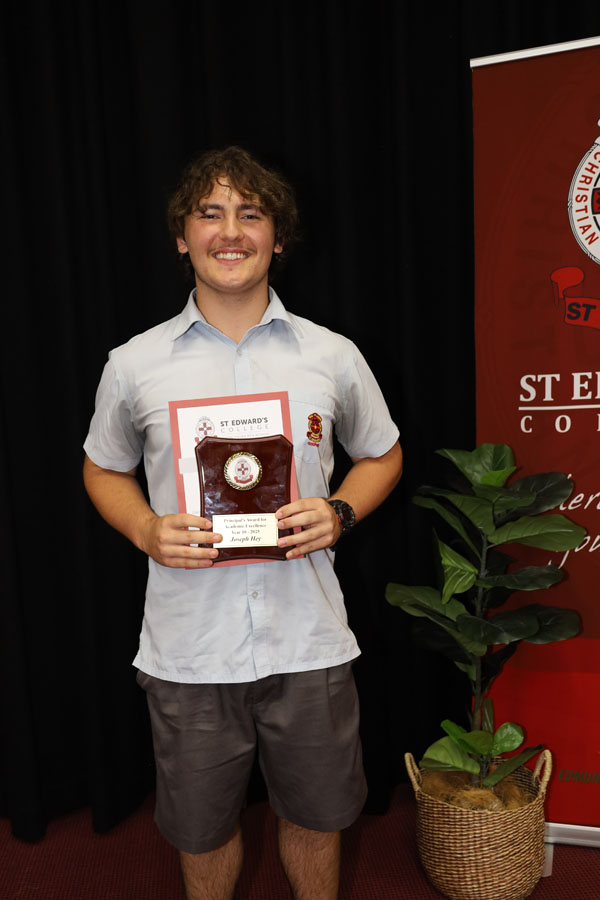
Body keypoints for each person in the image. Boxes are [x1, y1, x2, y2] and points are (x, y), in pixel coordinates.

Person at [83, 146, 402, 900]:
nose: (231, 231)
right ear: (182, 236)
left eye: (250, 214)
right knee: (203, 831)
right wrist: (145, 529)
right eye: (211, 213)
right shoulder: (134, 364)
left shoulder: (332, 356)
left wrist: (340, 511)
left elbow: (383, 454)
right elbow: (101, 468)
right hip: (190, 648)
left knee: (317, 819)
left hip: (308, 639)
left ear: (277, 237)